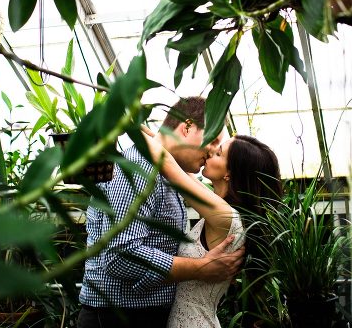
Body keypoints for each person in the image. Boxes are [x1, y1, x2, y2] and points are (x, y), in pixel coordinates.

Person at [78, 97, 245, 328]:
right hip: (118, 317)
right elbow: (120, 255)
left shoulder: (168, 174)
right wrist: (200, 268)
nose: (214, 150)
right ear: (187, 127)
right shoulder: (137, 170)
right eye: (214, 139)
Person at [142, 131, 283, 328]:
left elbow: (167, 165)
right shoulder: (220, 209)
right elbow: (174, 159)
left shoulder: (225, 216)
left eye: (219, 153)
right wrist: (137, 122)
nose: (209, 152)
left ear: (229, 173)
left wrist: (127, 125)